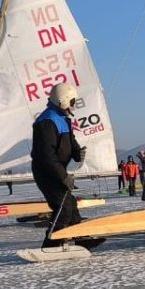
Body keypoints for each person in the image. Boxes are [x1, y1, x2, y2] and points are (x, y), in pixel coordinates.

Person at [32, 82, 93, 247]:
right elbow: (47, 156)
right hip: (46, 172)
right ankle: (50, 245)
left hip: (57, 171)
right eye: (72, 102)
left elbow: (71, 143)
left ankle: (82, 239)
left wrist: (77, 153)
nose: (73, 106)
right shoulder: (47, 121)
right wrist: (63, 176)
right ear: (62, 100)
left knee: (71, 205)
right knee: (63, 209)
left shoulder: (64, 119)